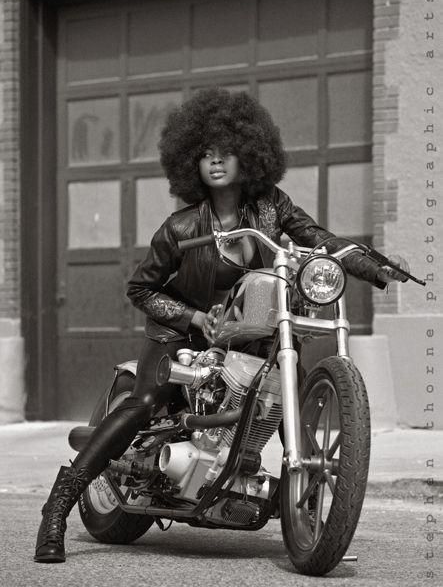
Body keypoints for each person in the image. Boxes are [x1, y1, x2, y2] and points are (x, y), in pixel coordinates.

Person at [34, 87, 408, 563]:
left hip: (252, 336)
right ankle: (58, 507)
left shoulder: (272, 207)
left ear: (249, 155)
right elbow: (141, 289)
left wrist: (376, 267)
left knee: (282, 388)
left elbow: (320, 240)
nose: (215, 162)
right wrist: (193, 317)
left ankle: (289, 503)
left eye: (225, 152)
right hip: (182, 337)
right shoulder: (181, 227)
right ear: (190, 160)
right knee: (144, 403)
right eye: (205, 154)